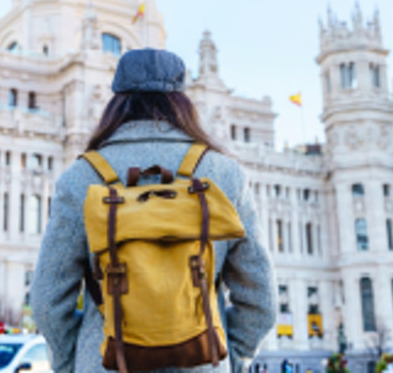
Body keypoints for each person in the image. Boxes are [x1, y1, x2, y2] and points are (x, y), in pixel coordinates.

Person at [31, 48, 276, 372]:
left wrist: (73, 361)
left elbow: (48, 303)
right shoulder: (224, 175)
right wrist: (229, 356)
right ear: (182, 102)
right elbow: (261, 300)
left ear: (117, 101)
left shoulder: (82, 178)